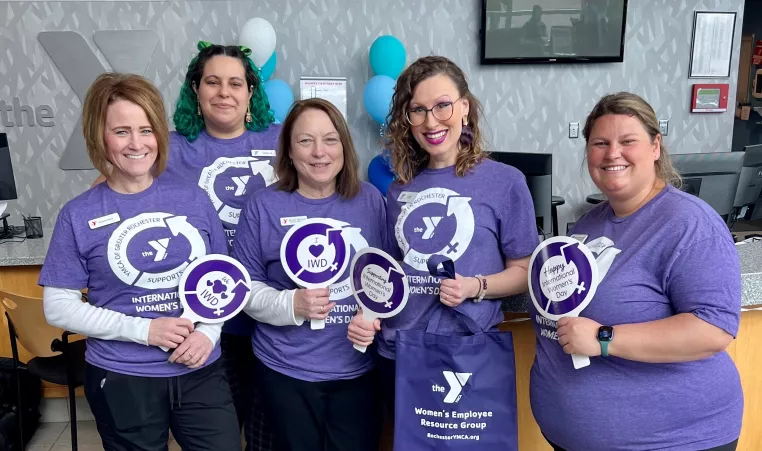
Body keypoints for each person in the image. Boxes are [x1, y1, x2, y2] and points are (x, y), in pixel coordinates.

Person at [529, 92, 743, 451]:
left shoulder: (689, 223)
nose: (613, 153)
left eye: (628, 141)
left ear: (655, 147)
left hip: (672, 440)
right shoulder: (589, 224)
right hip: (572, 435)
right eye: (600, 143)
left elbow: (713, 329)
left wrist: (604, 339)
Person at [39, 73, 240, 450]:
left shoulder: (194, 200)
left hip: (200, 368)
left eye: (146, 130)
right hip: (122, 377)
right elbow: (58, 306)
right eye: (122, 131)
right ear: (100, 136)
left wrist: (208, 333)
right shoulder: (78, 214)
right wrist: (144, 330)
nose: (137, 143)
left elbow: (224, 281)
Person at [347, 55, 539, 415]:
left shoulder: (505, 182)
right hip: (401, 348)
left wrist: (475, 286)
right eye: (417, 110)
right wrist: (368, 313)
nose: (430, 121)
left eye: (442, 106)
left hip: (468, 348)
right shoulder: (399, 189)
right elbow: (387, 273)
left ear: (464, 107)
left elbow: (525, 270)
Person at [232, 97, 386, 451]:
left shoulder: (370, 201)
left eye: (330, 140)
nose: (319, 152)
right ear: (287, 150)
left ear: (344, 147)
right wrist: (292, 304)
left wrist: (372, 316)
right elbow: (244, 288)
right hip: (285, 370)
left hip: (356, 370)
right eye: (305, 141)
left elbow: (386, 279)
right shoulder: (264, 205)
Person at [164, 41, 281, 451]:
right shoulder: (171, 149)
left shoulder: (284, 140)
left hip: (277, 314)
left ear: (251, 91)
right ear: (195, 89)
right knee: (220, 438)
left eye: (236, 82)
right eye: (212, 82)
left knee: (270, 437)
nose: (224, 92)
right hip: (209, 320)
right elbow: (117, 193)